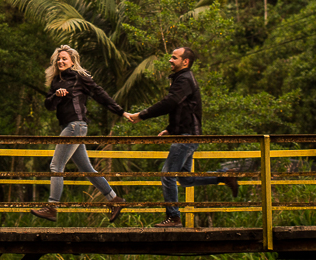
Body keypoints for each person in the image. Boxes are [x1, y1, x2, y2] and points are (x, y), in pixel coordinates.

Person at [126, 47, 240, 228]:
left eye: (174, 58)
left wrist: (142, 115)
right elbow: (181, 108)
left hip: (187, 137)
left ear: (185, 62)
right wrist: (171, 129)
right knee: (185, 179)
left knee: (167, 174)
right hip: (185, 134)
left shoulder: (185, 79)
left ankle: (173, 217)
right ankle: (224, 176)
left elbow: (169, 103)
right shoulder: (181, 79)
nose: (170, 60)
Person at [30, 45, 132, 224]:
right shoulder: (55, 81)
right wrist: (57, 95)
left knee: (56, 165)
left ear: (72, 61)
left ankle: (52, 208)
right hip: (70, 127)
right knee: (87, 169)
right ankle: (115, 200)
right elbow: (49, 105)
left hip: (75, 126)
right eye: (58, 59)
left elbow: (100, 95)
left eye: (64, 59)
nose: (60, 61)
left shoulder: (80, 77)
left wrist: (121, 112)